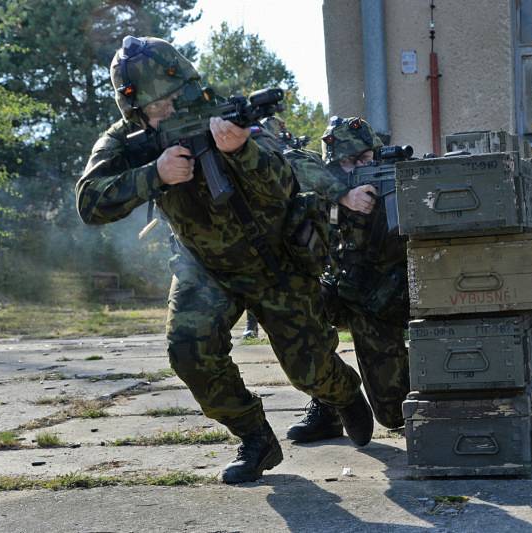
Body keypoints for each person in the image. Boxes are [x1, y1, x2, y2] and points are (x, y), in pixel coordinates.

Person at [75, 36, 373, 484]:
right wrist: (151, 175)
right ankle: (255, 437)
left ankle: (343, 394)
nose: (168, 111)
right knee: (188, 352)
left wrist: (241, 151)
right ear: (133, 110)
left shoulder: (225, 112)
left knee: (310, 370)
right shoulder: (125, 141)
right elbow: (89, 202)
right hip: (205, 268)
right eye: (155, 106)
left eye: (173, 99)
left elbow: (285, 185)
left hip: (276, 260)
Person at [282, 116, 410, 443]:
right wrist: (343, 193)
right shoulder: (328, 182)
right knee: (294, 318)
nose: (357, 167)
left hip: (378, 302)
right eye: (347, 161)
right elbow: (290, 161)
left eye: (365, 159)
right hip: (336, 289)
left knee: (393, 414)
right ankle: (329, 402)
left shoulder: (399, 181)